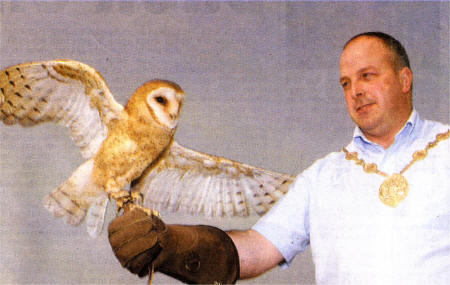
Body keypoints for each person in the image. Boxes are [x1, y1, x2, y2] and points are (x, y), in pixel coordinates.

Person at [107, 32, 450, 284]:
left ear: (404, 79)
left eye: (367, 76)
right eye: (345, 83)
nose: (355, 90)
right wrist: (171, 245)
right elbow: (255, 251)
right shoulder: (323, 177)